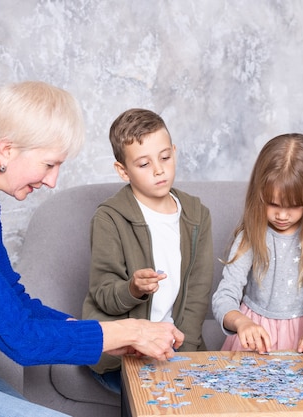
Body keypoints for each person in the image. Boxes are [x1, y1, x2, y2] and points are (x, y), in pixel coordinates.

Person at [0, 82, 184, 417]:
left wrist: (102, 335)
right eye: (48, 164)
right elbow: (19, 339)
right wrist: (120, 330)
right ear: (6, 150)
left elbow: (13, 301)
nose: (52, 181)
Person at [82, 108, 213, 394]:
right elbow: (103, 294)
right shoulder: (109, 218)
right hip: (123, 356)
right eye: (143, 164)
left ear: (174, 152)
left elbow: (198, 293)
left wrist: (184, 354)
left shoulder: (196, 215)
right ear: (122, 170)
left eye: (165, 157)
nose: (159, 169)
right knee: (156, 401)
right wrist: (133, 289)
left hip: (176, 349)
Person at [211, 133, 303, 354]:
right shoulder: (250, 236)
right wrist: (241, 323)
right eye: (272, 203)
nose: (282, 215)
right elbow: (225, 295)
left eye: (294, 206)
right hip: (258, 335)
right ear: (259, 195)